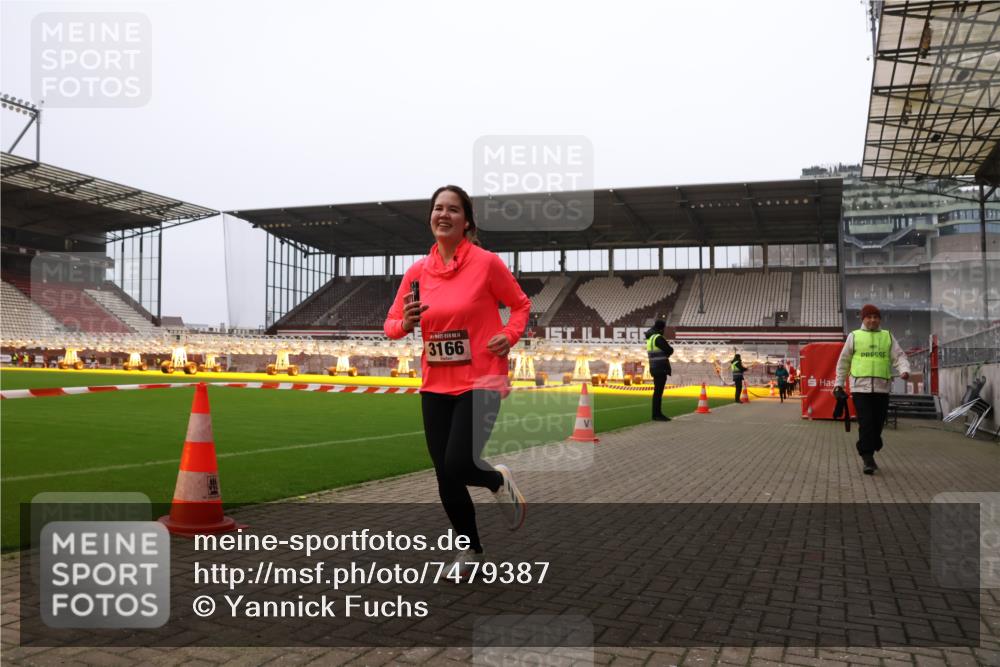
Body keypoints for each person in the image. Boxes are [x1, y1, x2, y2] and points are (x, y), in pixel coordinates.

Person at [384, 184, 531, 578]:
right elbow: (391, 325)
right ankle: (471, 551)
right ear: (430, 217)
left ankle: (497, 480)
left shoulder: (486, 264)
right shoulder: (417, 272)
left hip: (482, 377)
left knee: (458, 463)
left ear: (466, 222)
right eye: (437, 209)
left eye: (452, 209)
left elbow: (520, 305)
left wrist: (510, 334)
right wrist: (406, 323)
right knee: (444, 474)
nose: (443, 215)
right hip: (435, 383)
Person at [834, 304, 910, 475]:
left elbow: (899, 357)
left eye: (876, 317)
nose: (872, 320)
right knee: (866, 423)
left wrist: (904, 370)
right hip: (860, 389)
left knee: (878, 423)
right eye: (869, 317)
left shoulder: (887, 336)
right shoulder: (854, 336)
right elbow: (843, 362)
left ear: (879, 319)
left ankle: (874, 440)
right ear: (863, 319)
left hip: (882, 389)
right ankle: (867, 458)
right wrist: (838, 384)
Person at [644, 320, 674, 421]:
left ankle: (655, 414)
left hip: (654, 367)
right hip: (661, 368)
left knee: (657, 392)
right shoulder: (658, 338)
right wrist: (667, 354)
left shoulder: (650, 339)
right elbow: (669, 350)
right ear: (662, 328)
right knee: (658, 393)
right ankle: (657, 414)